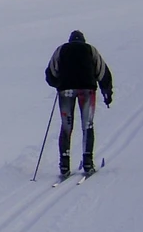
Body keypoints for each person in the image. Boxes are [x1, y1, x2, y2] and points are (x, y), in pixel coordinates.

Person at [45, 30, 114, 177]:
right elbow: (102, 71)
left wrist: (58, 83)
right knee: (87, 125)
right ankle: (88, 162)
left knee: (66, 126)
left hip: (66, 91)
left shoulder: (61, 50)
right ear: (83, 41)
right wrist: (107, 93)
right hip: (87, 90)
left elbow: (50, 73)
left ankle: (64, 164)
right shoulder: (90, 50)